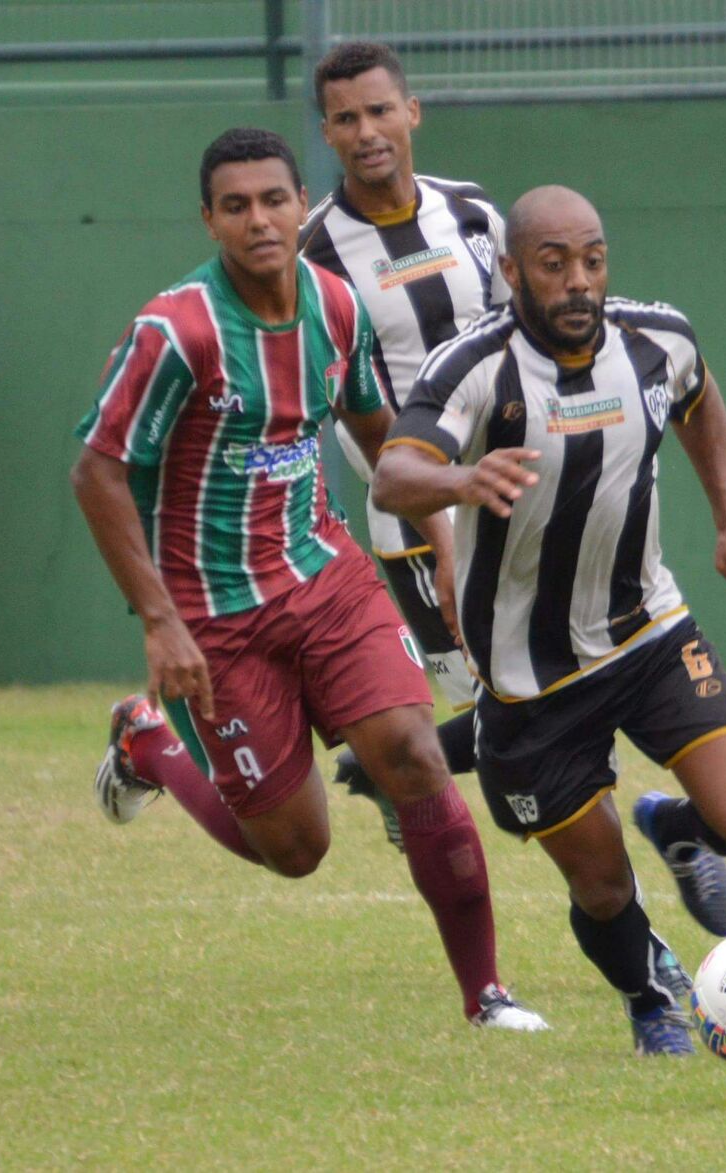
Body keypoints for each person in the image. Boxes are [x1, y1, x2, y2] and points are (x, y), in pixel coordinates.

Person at [72, 128, 546, 1032]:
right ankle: (148, 743)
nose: (259, 220)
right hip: (213, 617)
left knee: (414, 753)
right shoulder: (176, 331)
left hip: (326, 579)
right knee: (295, 848)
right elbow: (97, 472)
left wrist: (443, 542)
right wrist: (160, 622)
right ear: (209, 220)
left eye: (273, 200)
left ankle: (487, 994)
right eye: (236, 206)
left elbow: (381, 437)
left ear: (302, 206)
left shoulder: (335, 304)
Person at [371, 184, 726, 1056]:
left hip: (648, 632)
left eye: (592, 261)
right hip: (530, 680)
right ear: (512, 270)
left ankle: (676, 826)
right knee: (601, 887)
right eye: (554, 264)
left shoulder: (657, 338)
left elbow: (698, 397)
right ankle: (647, 1000)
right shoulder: (473, 366)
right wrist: (461, 479)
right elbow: (395, 474)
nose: (578, 282)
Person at [297, 41, 510, 846]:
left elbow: (519, 345)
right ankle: (389, 766)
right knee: (496, 712)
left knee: (534, 703)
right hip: (418, 519)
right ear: (327, 133)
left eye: (381, 111)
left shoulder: (474, 214)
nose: (367, 132)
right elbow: (361, 420)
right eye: (346, 119)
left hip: (511, 494)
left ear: (411, 112)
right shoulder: (313, 255)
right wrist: (443, 532)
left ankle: (381, 766)